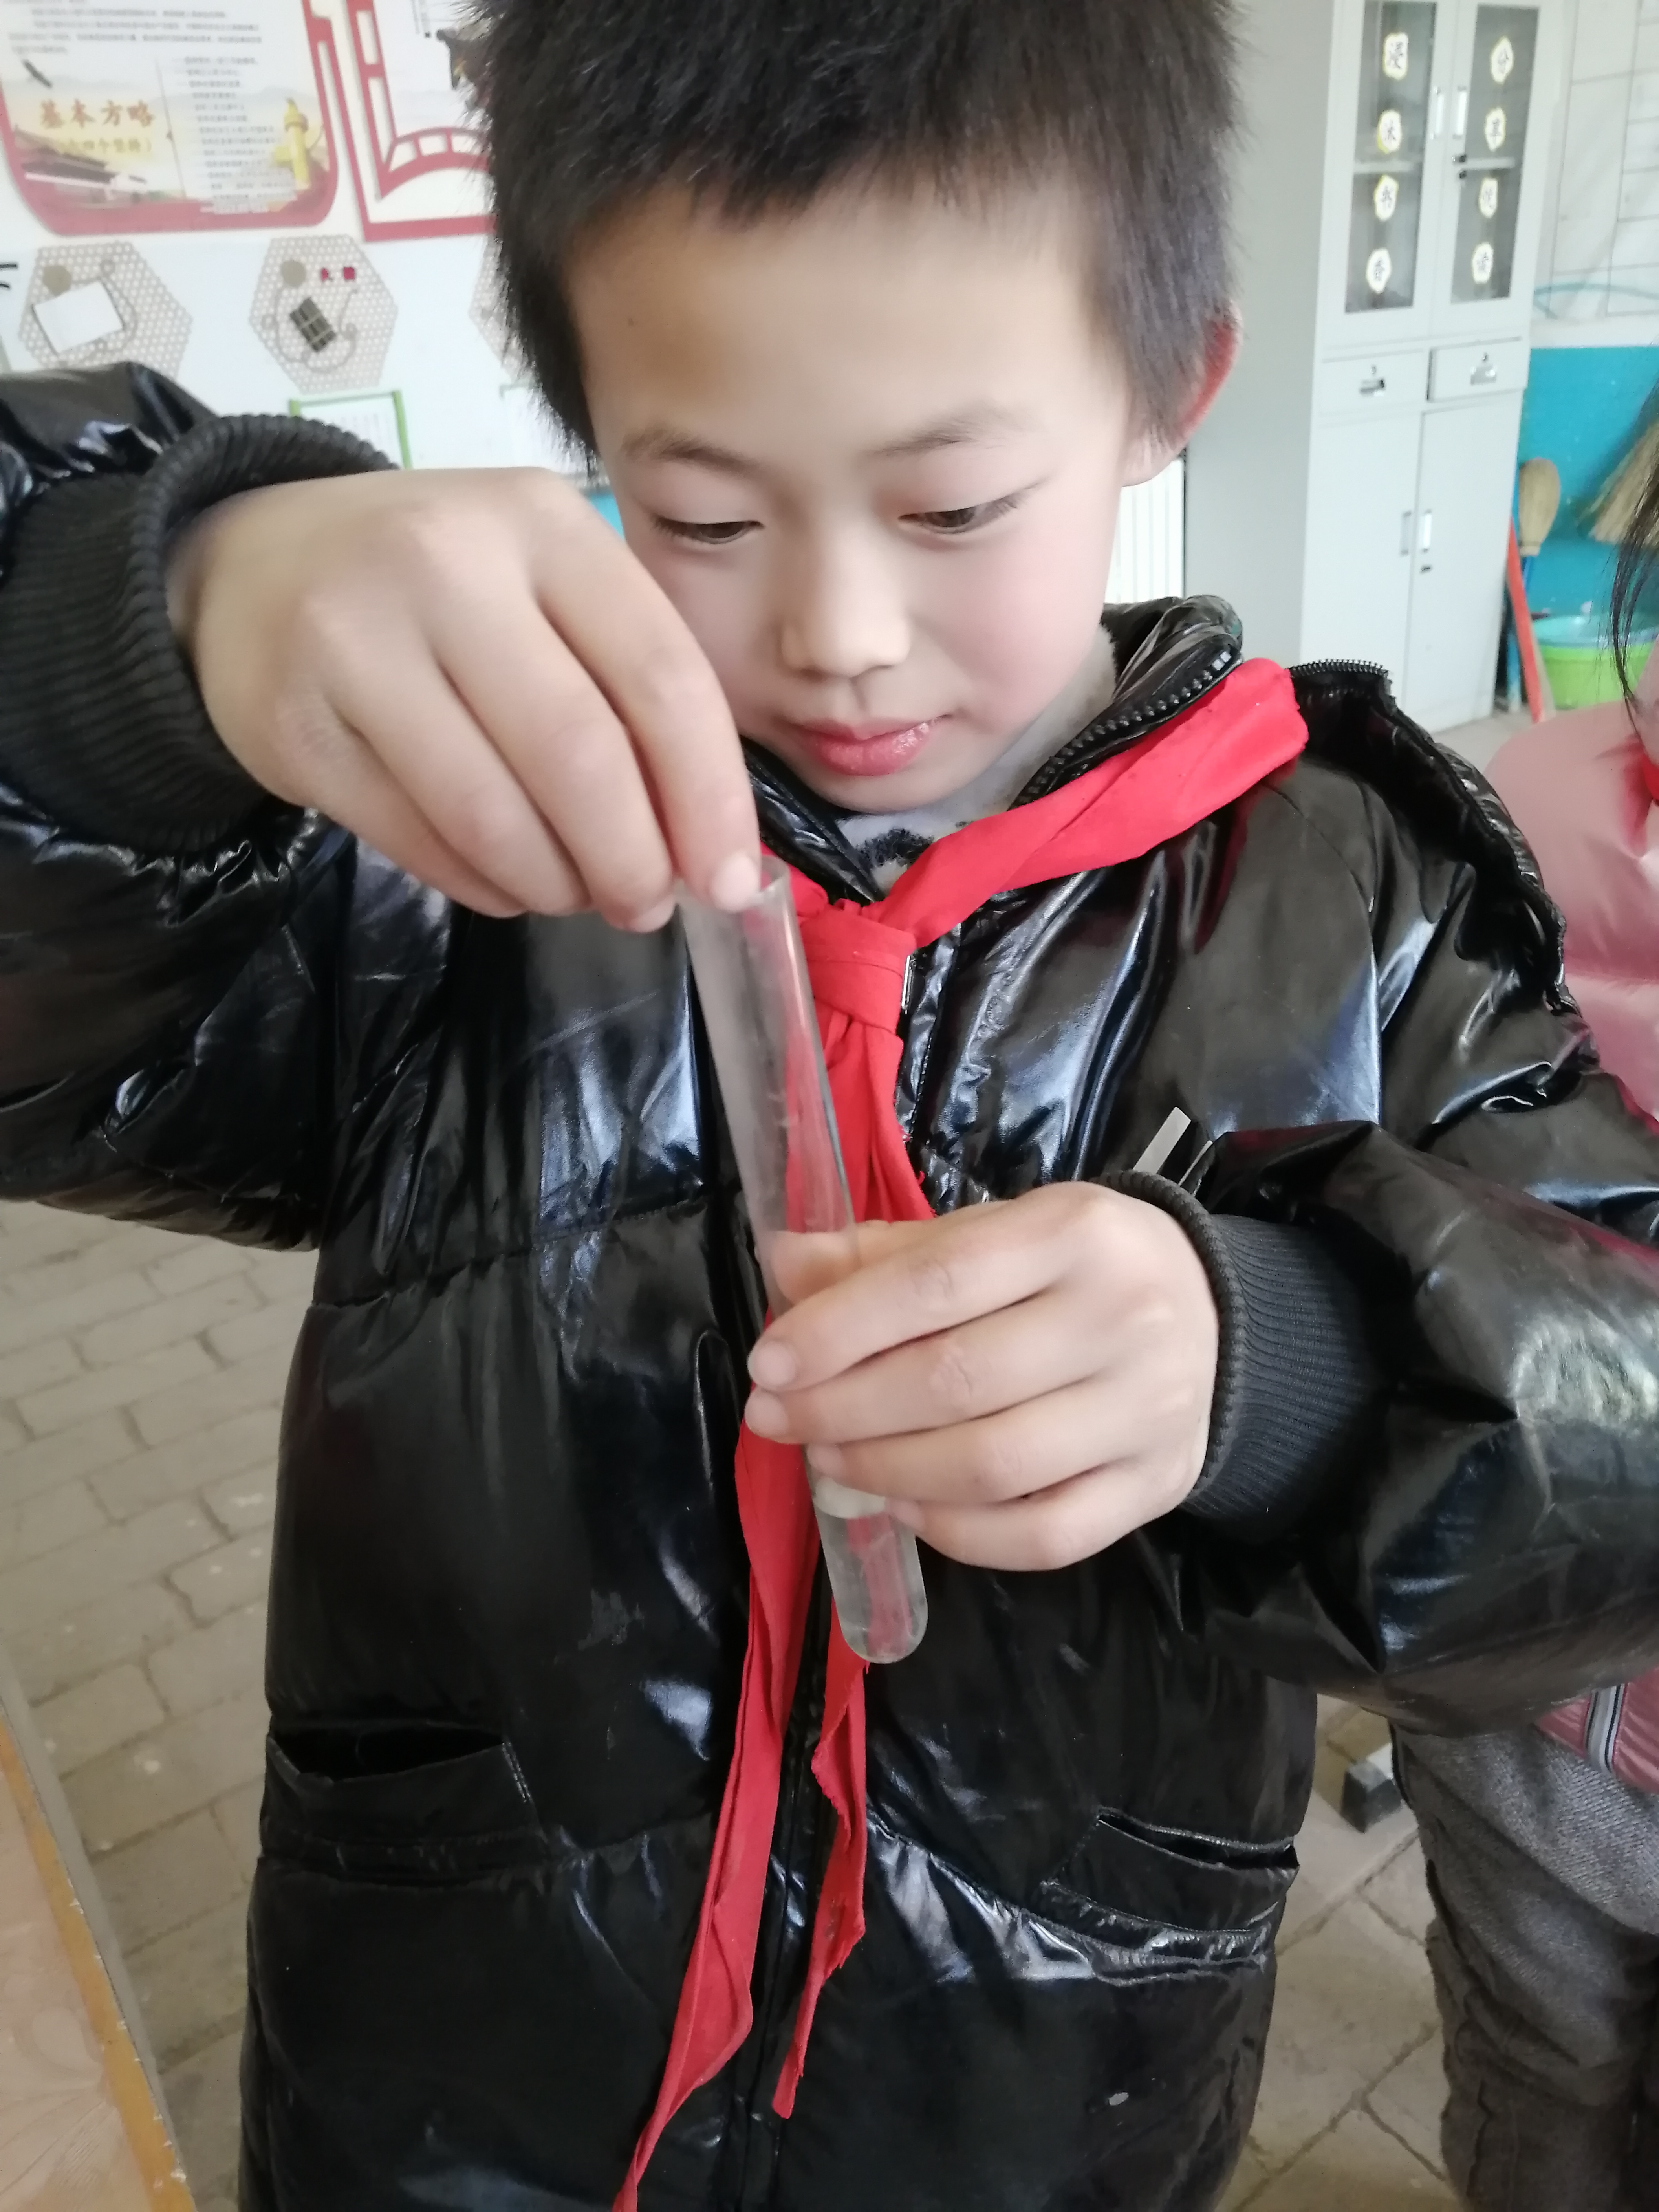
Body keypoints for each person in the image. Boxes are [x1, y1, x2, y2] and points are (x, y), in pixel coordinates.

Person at [2, 4, 1659, 2206]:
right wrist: (153, 629)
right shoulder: (438, 849)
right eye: (699, 510)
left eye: (952, 503)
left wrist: (1284, 1365)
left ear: (1171, 385)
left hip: (1045, 2094)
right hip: (469, 2084)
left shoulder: (1357, 892)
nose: (843, 631)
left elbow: (1622, 1423)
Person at [1395, 445, 1659, 2212]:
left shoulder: (1519, 800)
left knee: (1536, 2073)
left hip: (1525, 1658)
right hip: (1530, 1683)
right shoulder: (1513, 815)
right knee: (1534, 2065)